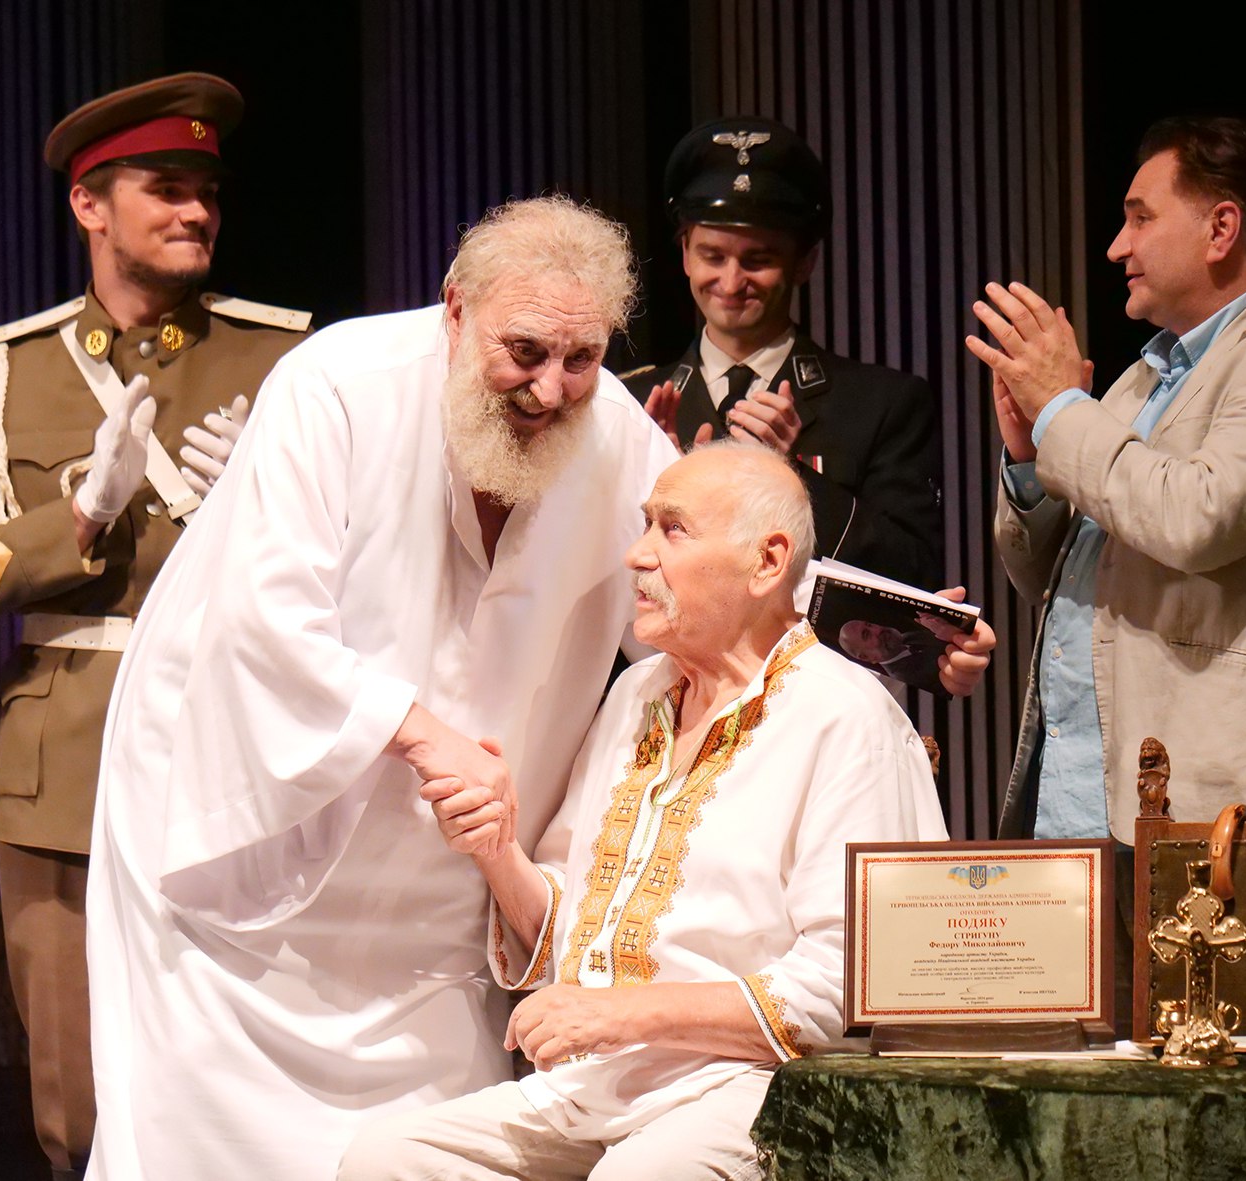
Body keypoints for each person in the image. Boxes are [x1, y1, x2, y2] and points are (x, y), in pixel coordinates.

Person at [84, 195, 684, 1179]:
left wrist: (840, 670)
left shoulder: (611, 427)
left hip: (439, 888)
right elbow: (263, 616)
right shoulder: (338, 383)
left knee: (426, 1140)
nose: (550, 387)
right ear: (456, 309)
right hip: (240, 844)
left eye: (581, 358)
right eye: (525, 351)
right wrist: (420, 732)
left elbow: (702, 588)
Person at [338, 440, 948, 1181]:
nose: (637, 554)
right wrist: (496, 847)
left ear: (767, 562)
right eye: (645, 524)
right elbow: (568, 936)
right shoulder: (637, 694)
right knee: (386, 1160)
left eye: (672, 529)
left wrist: (624, 1013)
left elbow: (848, 985)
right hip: (602, 1084)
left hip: (758, 1084)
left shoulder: (846, 717)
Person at [0, 73, 309, 1180]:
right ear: (90, 206)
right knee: (78, 1092)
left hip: (237, 746)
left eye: (207, 192)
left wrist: (263, 508)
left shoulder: (286, 360)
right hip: (68, 767)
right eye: (166, 189)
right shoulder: (5, 375)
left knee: (238, 1075)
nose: (196, 212)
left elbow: (374, 558)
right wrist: (80, 515)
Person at [965, 115, 1246, 843]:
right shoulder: (1142, 379)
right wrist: (1031, 460)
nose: (1117, 246)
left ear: (1221, 229)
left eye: (1140, 218)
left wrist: (1064, 409)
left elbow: (1195, 519)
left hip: (1206, 805)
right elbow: (1047, 580)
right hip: (1074, 803)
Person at [623, 116, 943, 588]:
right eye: (713, 256)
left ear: (804, 262)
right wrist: (647, 484)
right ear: (685, 253)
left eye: (758, 260)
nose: (732, 282)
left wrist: (791, 478)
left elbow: (914, 576)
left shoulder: (882, 405)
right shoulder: (630, 401)